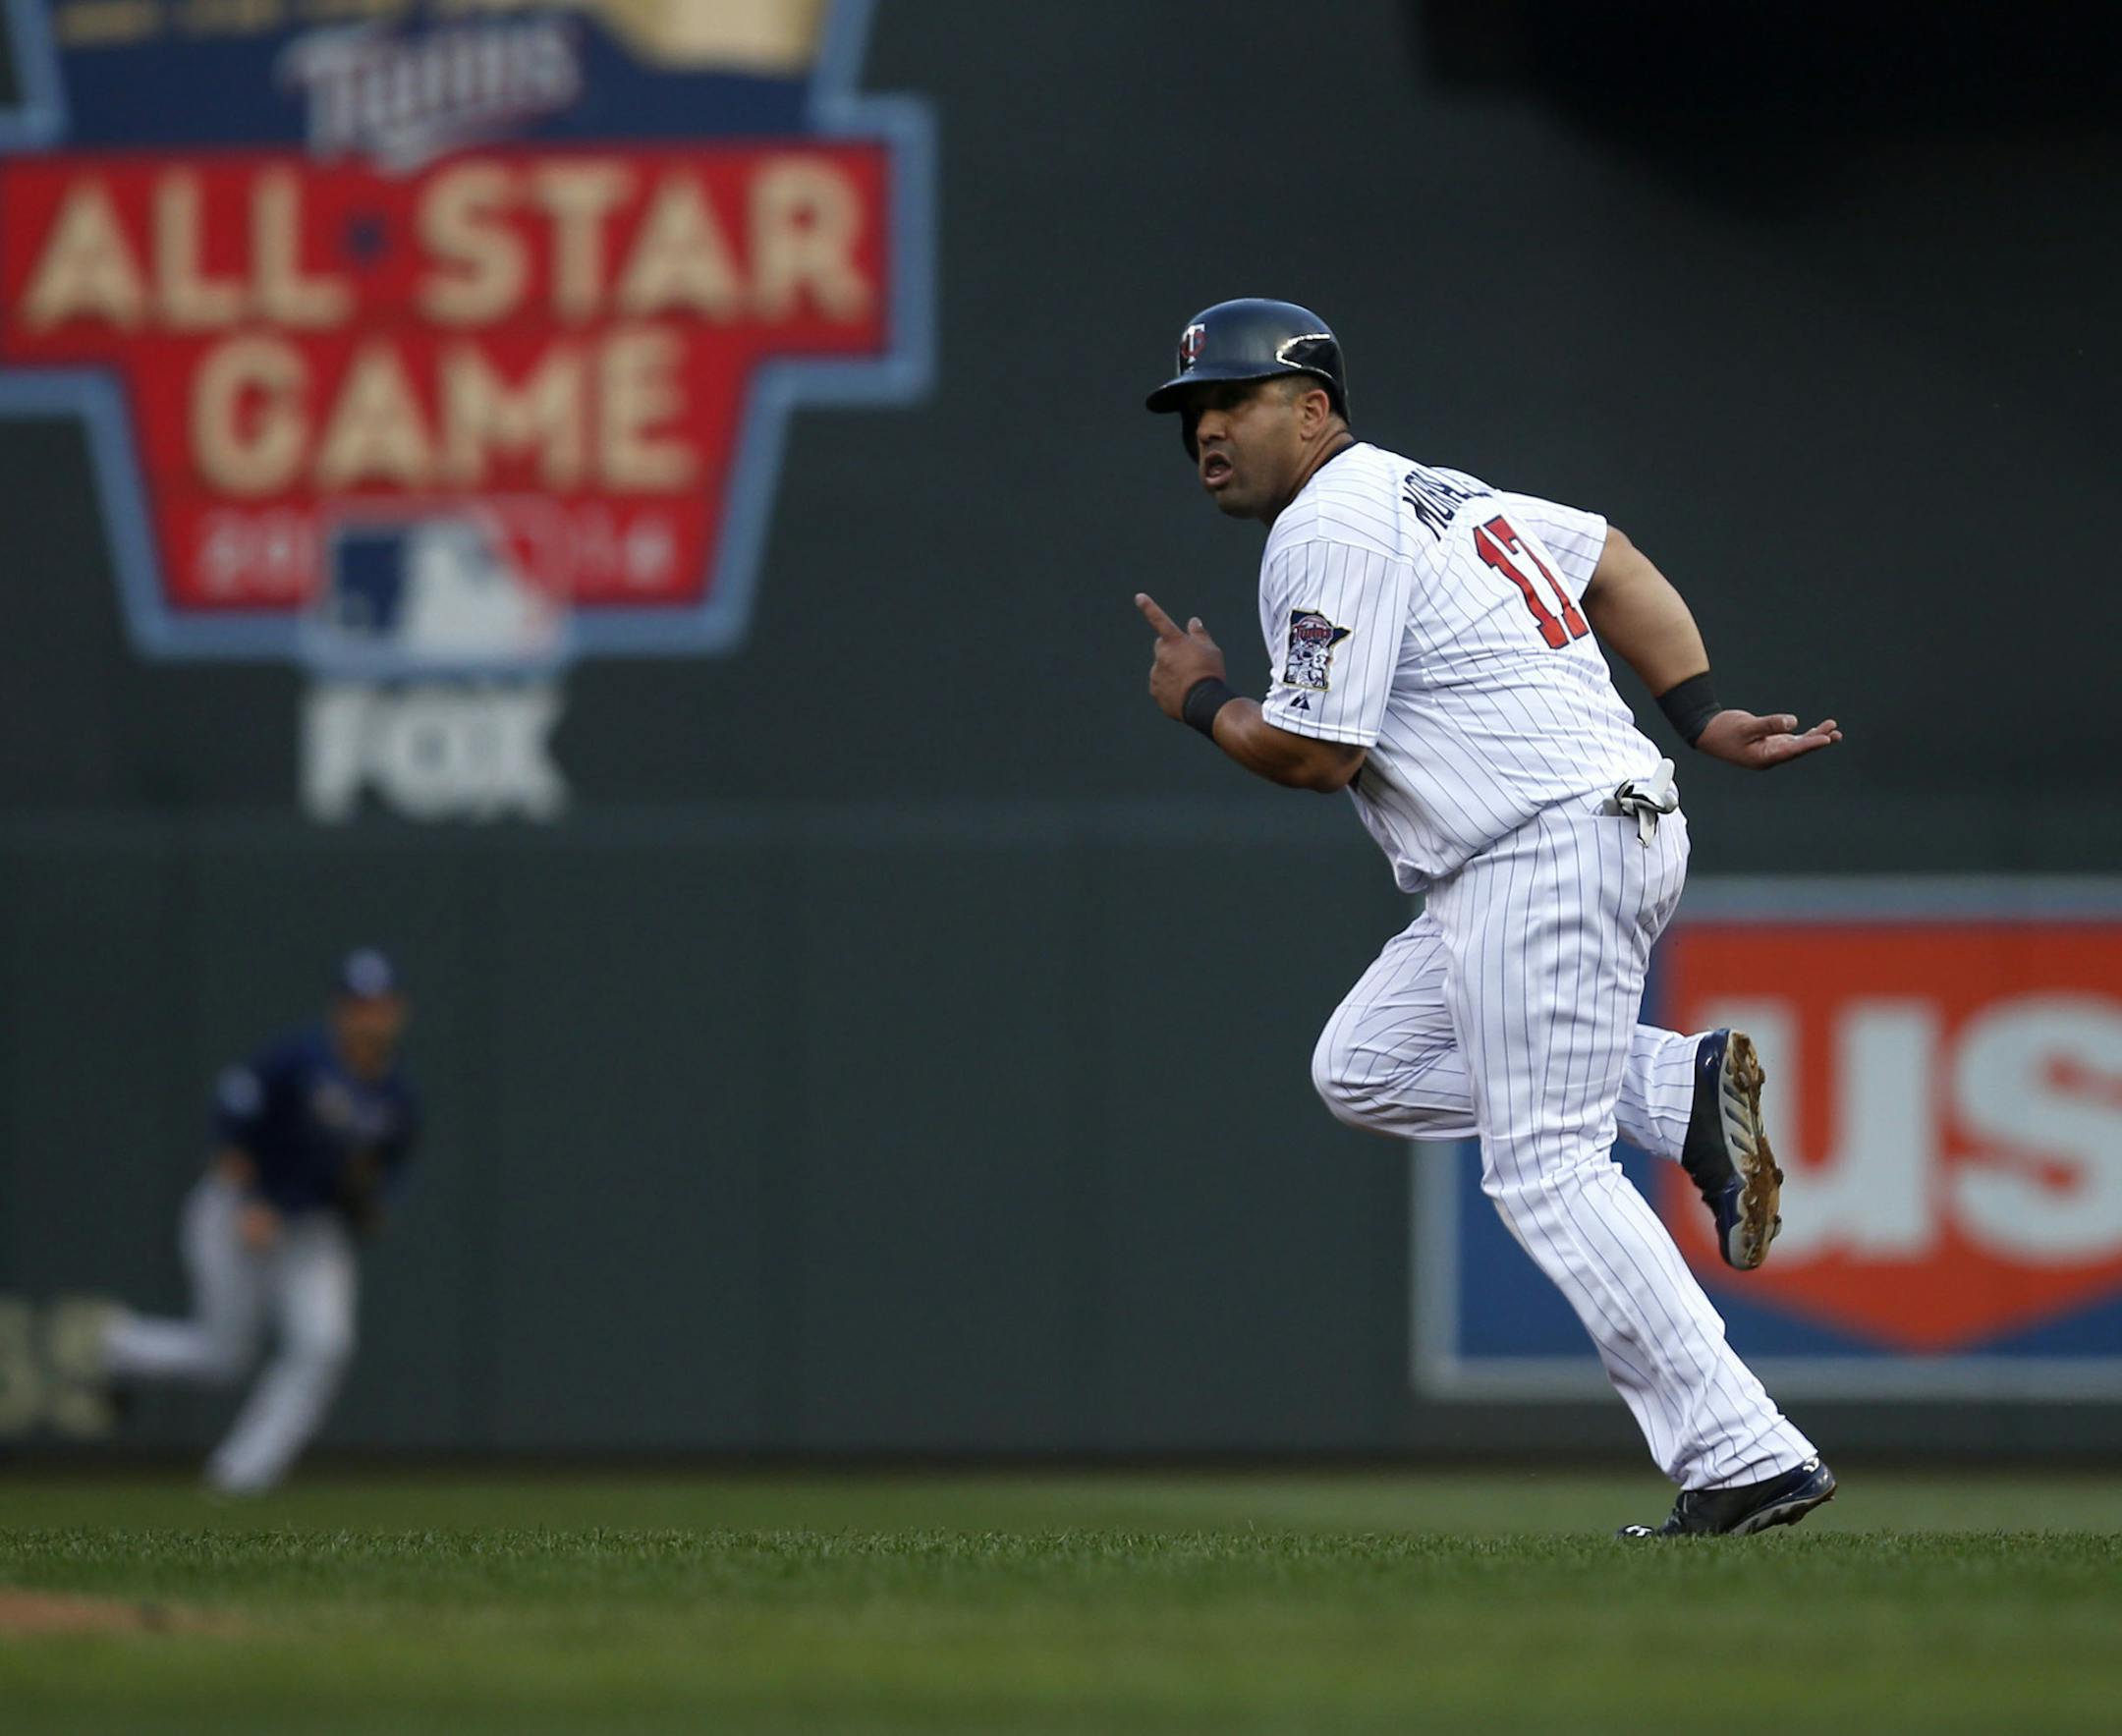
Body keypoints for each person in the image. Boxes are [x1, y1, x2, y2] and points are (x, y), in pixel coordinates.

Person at [1136, 299, 1844, 1538]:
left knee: (1546, 1169)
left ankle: (1744, 1455)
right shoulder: (1434, 492)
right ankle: (1673, 1094)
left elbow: (1312, 753)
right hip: (1563, 836)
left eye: (1234, 402)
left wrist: (1203, 702)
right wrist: (1699, 712)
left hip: (1538, 845)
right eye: (1193, 411)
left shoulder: (1332, 528)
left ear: (1314, 408)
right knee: (1367, 1065)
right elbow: (1610, 555)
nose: (1208, 429)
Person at [102, 949, 420, 1494]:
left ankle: (240, 1478)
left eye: (381, 1005)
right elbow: (231, 1123)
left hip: (311, 1227)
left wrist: (368, 1207)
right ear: (339, 1010)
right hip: (236, 1211)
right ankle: (116, 1348)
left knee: (325, 1345)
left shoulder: (396, 1100)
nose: (371, 1017)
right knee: (223, 1355)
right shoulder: (296, 1060)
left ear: (399, 1012)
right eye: (359, 1005)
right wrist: (251, 1198)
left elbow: (379, 1181)